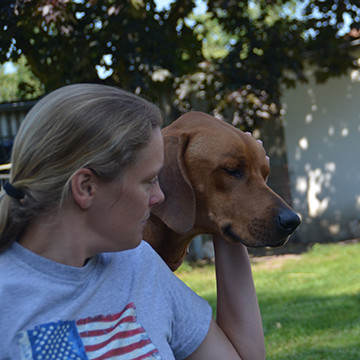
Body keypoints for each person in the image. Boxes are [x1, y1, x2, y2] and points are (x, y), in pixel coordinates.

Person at [0, 83, 265, 360]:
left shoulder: (139, 265)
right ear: (86, 187)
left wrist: (238, 210)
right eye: (149, 181)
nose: (160, 196)